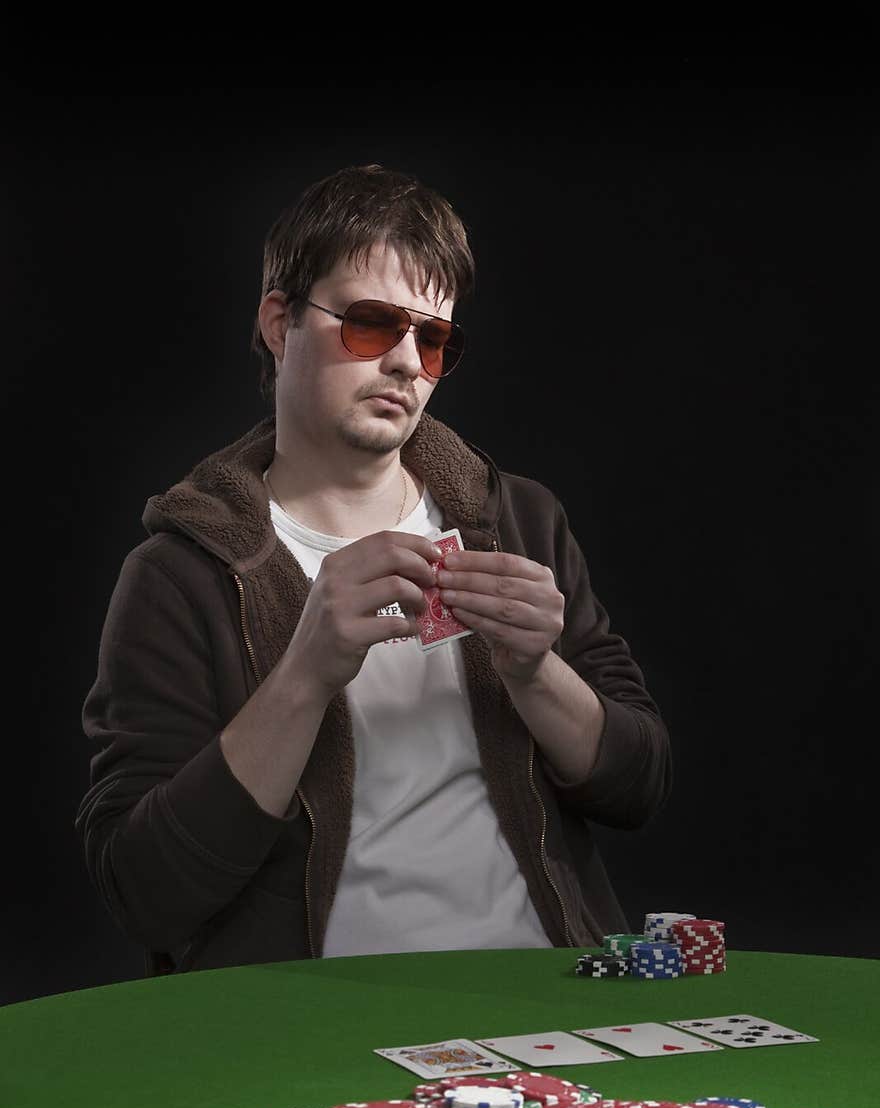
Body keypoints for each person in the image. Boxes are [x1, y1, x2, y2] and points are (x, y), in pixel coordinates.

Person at [75, 162, 673, 977]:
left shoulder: (517, 521)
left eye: (432, 341)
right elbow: (145, 893)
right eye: (370, 324)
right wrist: (304, 674)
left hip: (542, 993)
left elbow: (638, 787)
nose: (404, 362)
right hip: (310, 1022)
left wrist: (536, 676)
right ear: (281, 325)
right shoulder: (182, 575)